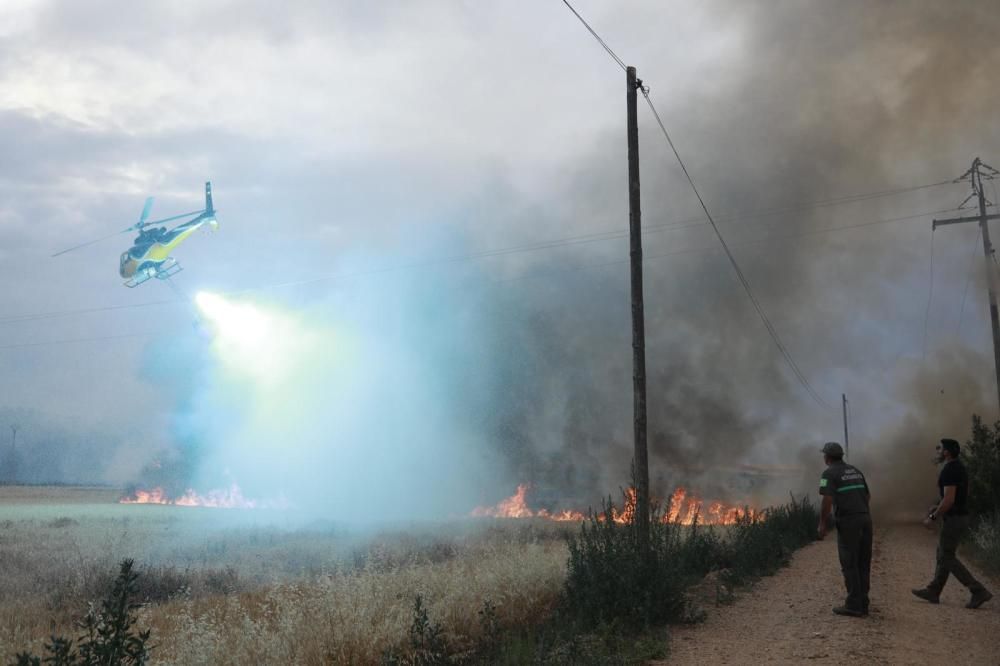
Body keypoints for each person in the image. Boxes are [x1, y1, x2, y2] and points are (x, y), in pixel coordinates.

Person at [912, 438, 993, 609]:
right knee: (943, 553)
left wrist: (932, 517)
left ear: (947, 452)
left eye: (940, 448)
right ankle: (934, 590)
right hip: (959, 516)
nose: (938, 451)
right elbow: (960, 494)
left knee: (946, 557)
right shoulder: (960, 467)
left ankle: (978, 590)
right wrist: (940, 505)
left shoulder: (949, 470)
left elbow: (949, 500)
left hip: (954, 519)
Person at [818, 441, 873, 617]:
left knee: (849, 563)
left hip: (849, 522)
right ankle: (863, 603)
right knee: (863, 563)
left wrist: (822, 523)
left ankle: (853, 605)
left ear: (827, 457)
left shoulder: (828, 473)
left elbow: (826, 500)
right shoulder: (855, 470)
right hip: (865, 518)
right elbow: (868, 495)